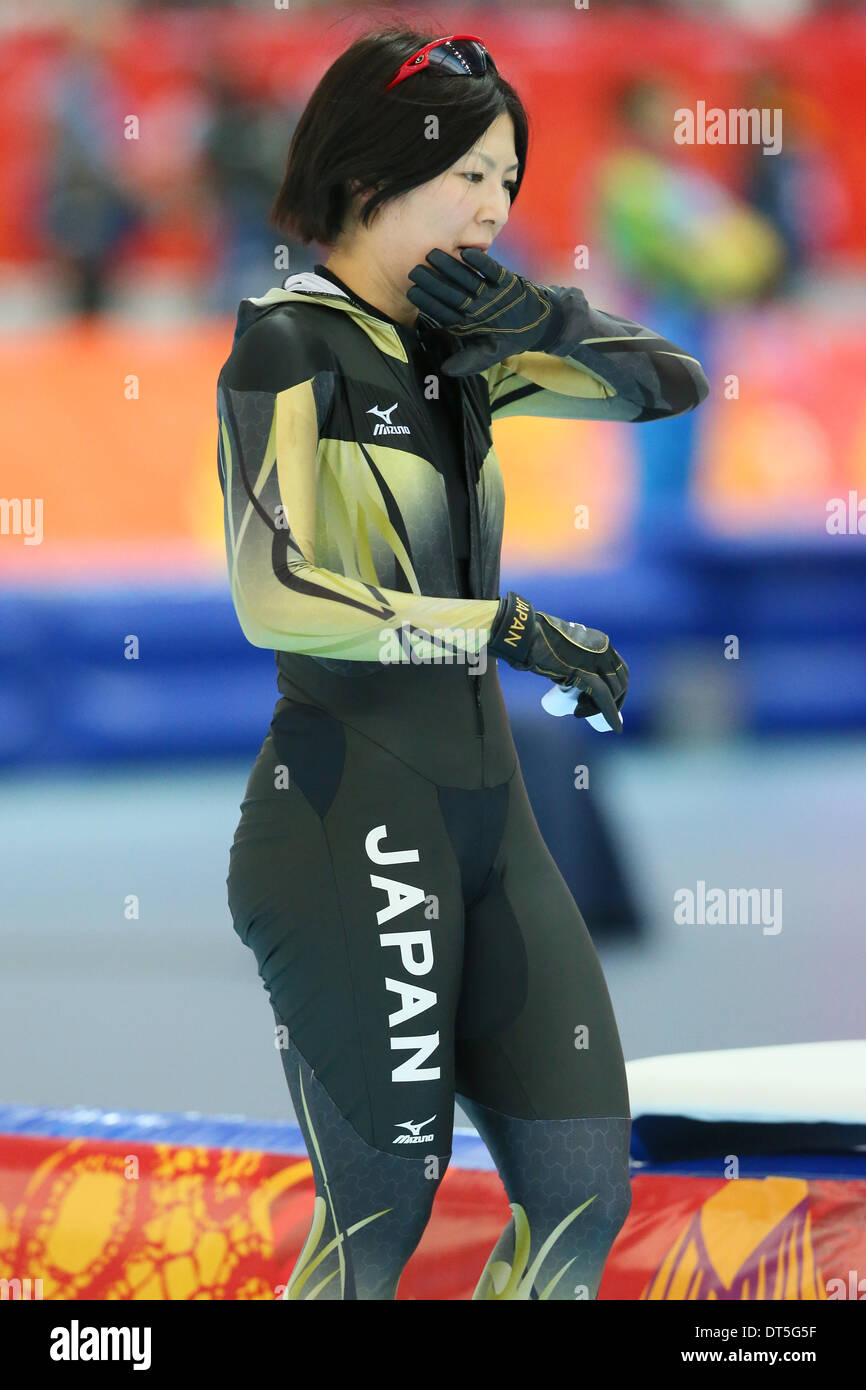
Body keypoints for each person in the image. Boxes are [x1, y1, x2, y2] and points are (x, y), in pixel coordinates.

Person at [218, 28, 709, 1301]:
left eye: (510, 177)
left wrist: (544, 318)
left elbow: (671, 382)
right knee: (376, 1226)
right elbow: (275, 592)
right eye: (471, 174)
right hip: (345, 813)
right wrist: (497, 625)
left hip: (490, 820)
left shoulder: (463, 350)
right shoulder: (287, 343)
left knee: (583, 1200)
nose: (497, 203)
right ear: (372, 178)